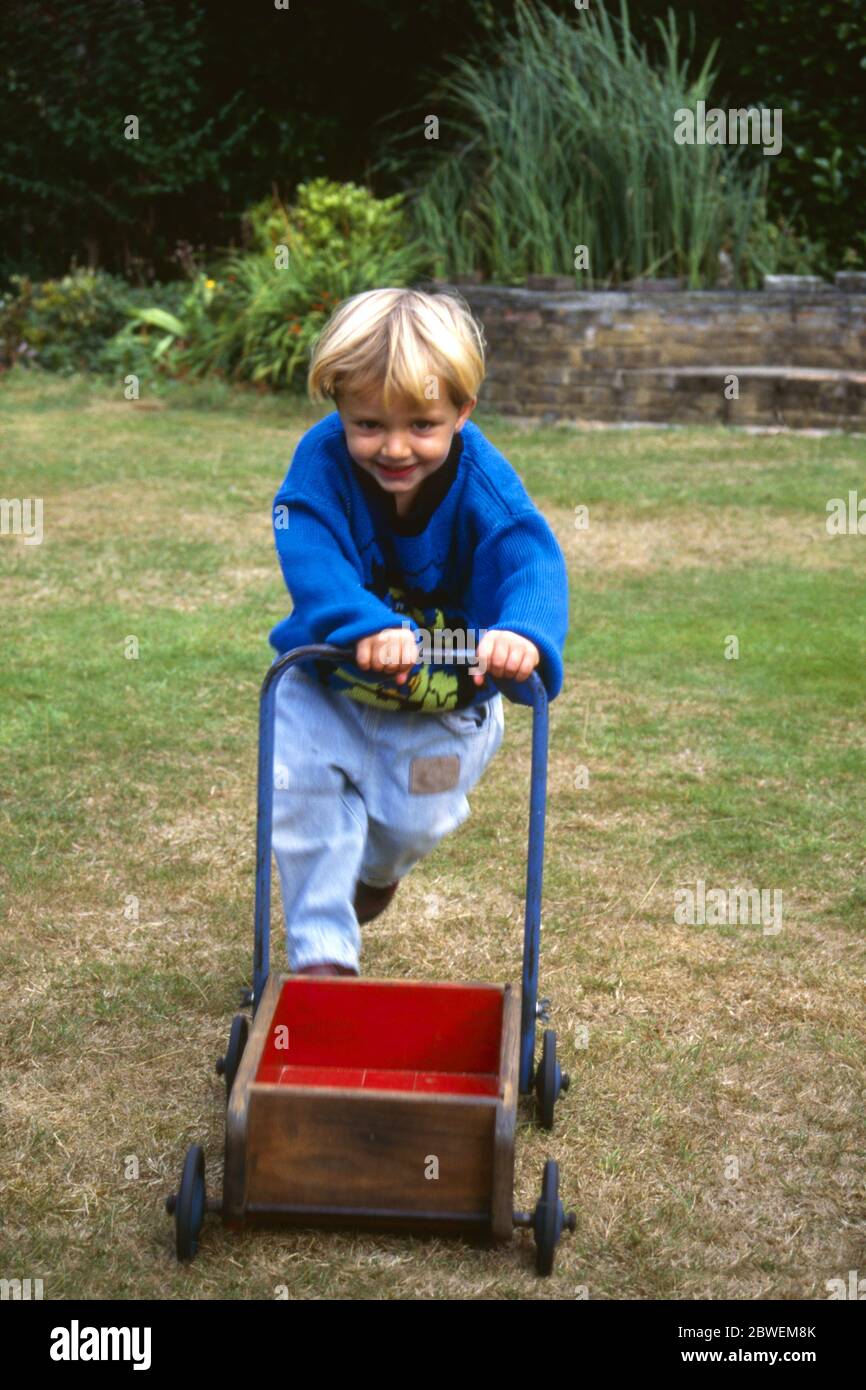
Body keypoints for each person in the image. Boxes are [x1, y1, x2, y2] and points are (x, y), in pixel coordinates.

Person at [268, 286, 568, 976]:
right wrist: (364, 623)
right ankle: (321, 963)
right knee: (306, 807)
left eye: (422, 425)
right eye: (368, 424)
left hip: (444, 704)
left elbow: (530, 556)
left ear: (462, 411)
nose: (394, 448)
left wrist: (522, 631)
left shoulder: (483, 482)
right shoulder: (321, 463)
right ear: (339, 405)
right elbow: (307, 542)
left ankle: (376, 870)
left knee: (417, 818)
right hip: (332, 686)